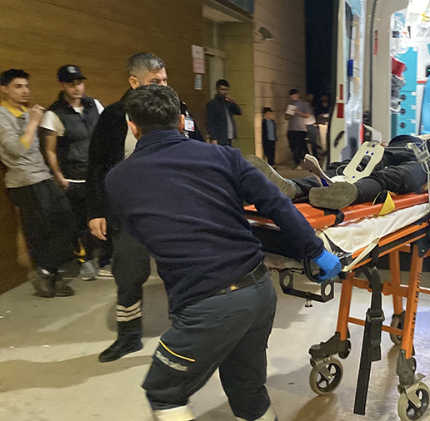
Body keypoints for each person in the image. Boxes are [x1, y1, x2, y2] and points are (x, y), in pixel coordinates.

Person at [106, 84, 341, 421]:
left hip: (206, 303)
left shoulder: (118, 179)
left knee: (164, 392)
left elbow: (137, 236)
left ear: (132, 126)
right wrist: (316, 251)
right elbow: (276, 203)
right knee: (247, 389)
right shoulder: (223, 157)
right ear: (181, 121)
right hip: (258, 291)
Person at [86, 52, 168, 363]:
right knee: (129, 275)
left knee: (179, 271)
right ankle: (129, 335)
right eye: (155, 81)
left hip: (170, 209)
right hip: (127, 211)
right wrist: (96, 211)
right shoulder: (113, 117)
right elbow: (96, 166)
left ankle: (188, 330)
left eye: (164, 80)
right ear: (134, 82)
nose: (162, 86)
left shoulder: (176, 108)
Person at [247, 134, 430, 210]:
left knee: (397, 177)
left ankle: (349, 193)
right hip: (406, 143)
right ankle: (293, 187)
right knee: (351, 166)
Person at [0, 69, 76, 297]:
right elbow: (16, 149)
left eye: (26, 86)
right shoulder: (3, 115)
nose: (25, 91)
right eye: (18, 86)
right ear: (4, 89)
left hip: (42, 176)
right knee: (40, 228)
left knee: (64, 219)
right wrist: (33, 122)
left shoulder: (26, 111)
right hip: (24, 181)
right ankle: (45, 273)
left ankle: (52, 270)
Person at [40, 65, 105, 282]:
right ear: (62, 85)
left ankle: (105, 256)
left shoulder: (94, 105)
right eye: (71, 84)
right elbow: (50, 150)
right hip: (74, 177)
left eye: (79, 83)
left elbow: (105, 133)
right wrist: (58, 175)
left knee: (103, 215)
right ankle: (84, 260)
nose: (77, 88)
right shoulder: (54, 113)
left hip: (98, 173)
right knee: (79, 222)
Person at [206, 79, 242, 147]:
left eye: (226, 90)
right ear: (217, 90)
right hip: (220, 137)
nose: (225, 92)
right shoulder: (213, 104)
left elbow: (239, 112)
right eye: (222, 89)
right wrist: (213, 137)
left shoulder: (228, 103)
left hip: (229, 137)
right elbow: (210, 122)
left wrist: (232, 102)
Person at [286, 89, 312, 168]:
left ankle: (302, 162)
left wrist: (298, 112)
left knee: (300, 146)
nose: (293, 97)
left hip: (301, 129)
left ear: (297, 94)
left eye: (294, 95)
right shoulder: (290, 104)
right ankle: (297, 162)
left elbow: (307, 115)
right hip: (291, 128)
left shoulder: (304, 104)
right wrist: (290, 114)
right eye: (291, 95)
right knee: (293, 146)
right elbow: (286, 117)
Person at [304, 94, 320, 158]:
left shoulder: (311, 105)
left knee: (313, 141)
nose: (311, 98)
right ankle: (307, 155)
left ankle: (315, 154)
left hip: (312, 124)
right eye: (310, 96)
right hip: (306, 124)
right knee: (307, 141)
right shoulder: (304, 105)